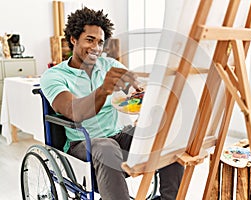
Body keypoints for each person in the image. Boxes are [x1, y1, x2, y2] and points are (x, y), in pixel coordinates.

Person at [40, 7, 183, 200]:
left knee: (165, 136)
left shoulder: (109, 65)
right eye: (89, 40)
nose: (96, 48)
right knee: (106, 148)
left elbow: (135, 92)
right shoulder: (54, 75)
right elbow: (73, 111)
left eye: (100, 42)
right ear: (73, 39)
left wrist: (143, 95)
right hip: (81, 142)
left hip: (117, 136)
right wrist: (104, 89)